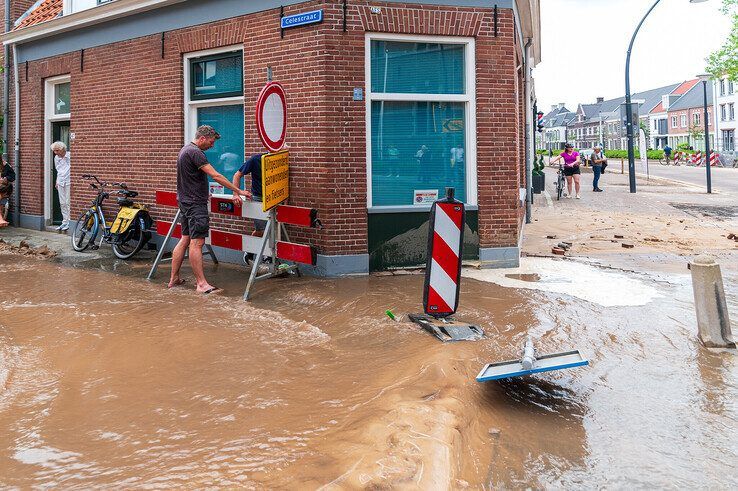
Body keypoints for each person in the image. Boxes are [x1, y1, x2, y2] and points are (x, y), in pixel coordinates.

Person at [168, 125, 251, 293]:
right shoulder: (196, 153)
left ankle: (174, 279)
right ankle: (201, 284)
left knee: (185, 239)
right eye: (211, 142)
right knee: (197, 243)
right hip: (194, 204)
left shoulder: (184, 150)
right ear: (203, 138)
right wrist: (238, 190)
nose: (212, 146)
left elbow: (191, 178)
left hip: (184, 201)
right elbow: (215, 175)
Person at [232, 153, 267, 235]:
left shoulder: (280, 160)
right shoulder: (256, 159)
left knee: (273, 229)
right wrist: (236, 194)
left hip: (275, 199)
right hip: (259, 198)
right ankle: (253, 247)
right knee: (261, 231)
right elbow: (237, 175)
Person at [51, 141, 71, 231]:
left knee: (68, 202)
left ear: (62, 149)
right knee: (62, 203)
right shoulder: (56, 158)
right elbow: (58, 170)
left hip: (69, 181)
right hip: (60, 181)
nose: (56, 153)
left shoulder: (70, 156)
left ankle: (70, 222)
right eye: (54, 151)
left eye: (57, 150)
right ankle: (64, 222)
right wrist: (56, 181)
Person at [0, 157, 15, 223]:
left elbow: (13, 176)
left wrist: (6, 179)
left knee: (2, 204)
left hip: (3, 189)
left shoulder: (6, 165)